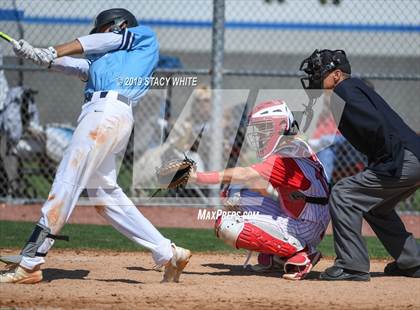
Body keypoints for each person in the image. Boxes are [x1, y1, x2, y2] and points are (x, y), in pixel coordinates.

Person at [0, 8, 191, 284]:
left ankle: (30, 261)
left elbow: (104, 42)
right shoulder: (107, 61)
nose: (98, 36)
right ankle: (168, 252)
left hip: (106, 113)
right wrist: (36, 54)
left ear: (119, 25)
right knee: (103, 195)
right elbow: (77, 66)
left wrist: (54, 50)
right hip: (109, 117)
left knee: (68, 178)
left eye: (101, 29)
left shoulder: (143, 37)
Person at [300, 49, 420, 281]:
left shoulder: (344, 90)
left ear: (336, 74)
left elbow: (376, 126)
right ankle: (413, 261)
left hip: (404, 158)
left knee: (344, 194)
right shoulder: (350, 89)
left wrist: (388, 161)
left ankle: (351, 265)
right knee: (377, 208)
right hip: (411, 157)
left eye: (319, 71)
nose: (314, 75)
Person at [189, 99, 331, 280]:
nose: (259, 134)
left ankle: (303, 251)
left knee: (227, 223)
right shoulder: (292, 145)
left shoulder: (286, 152)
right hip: (302, 214)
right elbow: (259, 183)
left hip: (307, 224)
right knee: (234, 191)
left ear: (281, 125)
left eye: (264, 128)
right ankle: (279, 257)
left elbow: (246, 174)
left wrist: (197, 177)